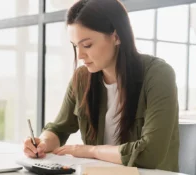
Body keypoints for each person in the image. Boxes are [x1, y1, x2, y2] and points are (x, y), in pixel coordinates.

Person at [23, 0, 179, 172]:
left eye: (87, 45)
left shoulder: (158, 75)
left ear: (117, 36)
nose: (80, 55)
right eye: (75, 46)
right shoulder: (82, 78)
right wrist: (42, 143)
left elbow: (150, 154)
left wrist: (91, 151)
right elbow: (59, 129)